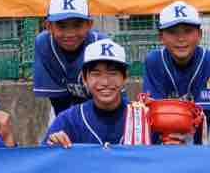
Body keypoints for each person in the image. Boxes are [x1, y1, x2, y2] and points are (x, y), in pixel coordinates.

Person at [45, 39, 180, 147]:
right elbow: (44, 159)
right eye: (96, 74)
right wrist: (53, 144)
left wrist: (172, 147)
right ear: (85, 79)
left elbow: (165, 159)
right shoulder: (69, 120)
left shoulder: (145, 117)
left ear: (124, 77)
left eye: (113, 73)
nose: (105, 82)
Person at [143, 1, 210, 144]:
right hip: (164, 127)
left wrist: (187, 142)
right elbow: (154, 110)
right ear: (161, 36)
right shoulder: (154, 60)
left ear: (199, 34)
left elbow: (209, 113)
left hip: (202, 125)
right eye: (172, 32)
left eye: (188, 31)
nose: (181, 39)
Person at [32, 0, 104, 118]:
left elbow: (112, 98)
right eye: (61, 25)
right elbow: (58, 102)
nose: (70, 33)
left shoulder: (102, 45)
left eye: (77, 25)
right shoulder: (44, 44)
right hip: (65, 110)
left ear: (89, 25)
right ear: (48, 26)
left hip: (104, 111)